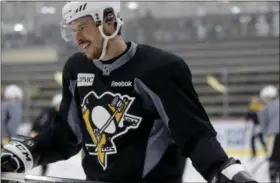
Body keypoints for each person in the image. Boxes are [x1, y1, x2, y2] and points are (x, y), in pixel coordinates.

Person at [1, 2, 257, 183]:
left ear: (109, 21)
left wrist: (220, 168)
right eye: (72, 28)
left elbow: (193, 134)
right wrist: (29, 152)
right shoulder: (76, 69)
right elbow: (67, 135)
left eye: (82, 26)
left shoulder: (161, 68)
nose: (76, 36)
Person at [30, 93, 62, 176]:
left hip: (39, 133)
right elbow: (42, 124)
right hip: (38, 133)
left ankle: (42, 171)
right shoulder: (50, 111)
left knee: (41, 154)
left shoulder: (51, 111)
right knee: (40, 153)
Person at [258, 85, 279, 183]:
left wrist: (265, 136)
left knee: (273, 159)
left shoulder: (264, 109)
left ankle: (274, 177)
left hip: (273, 135)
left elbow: (263, 125)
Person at [245, 96, 267, 160]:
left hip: (259, 126)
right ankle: (254, 154)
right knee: (254, 140)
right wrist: (246, 125)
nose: (254, 101)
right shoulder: (251, 107)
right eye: (253, 100)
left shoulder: (260, 107)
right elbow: (247, 117)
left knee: (261, 140)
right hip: (254, 126)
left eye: (255, 100)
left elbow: (263, 117)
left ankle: (267, 152)